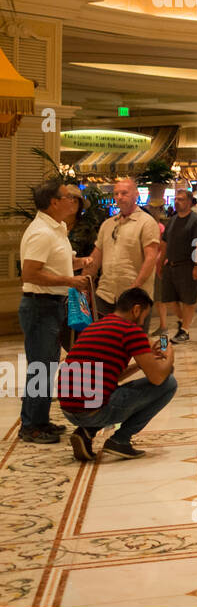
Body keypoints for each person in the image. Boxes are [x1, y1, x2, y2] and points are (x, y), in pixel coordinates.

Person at [59, 287, 177, 461]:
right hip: (93, 410)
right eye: (144, 317)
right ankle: (120, 440)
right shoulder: (131, 330)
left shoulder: (95, 326)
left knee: (111, 389)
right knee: (169, 383)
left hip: (68, 409)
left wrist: (139, 364)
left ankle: (86, 432)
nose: (142, 322)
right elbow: (158, 378)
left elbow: (111, 376)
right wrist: (170, 354)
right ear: (136, 310)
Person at [19, 180, 93, 444]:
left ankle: (40, 420)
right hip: (40, 305)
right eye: (67, 197)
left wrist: (77, 263)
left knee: (47, 366)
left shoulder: (56, 228)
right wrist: (70, 281)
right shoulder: (42, 232)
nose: (72, 201)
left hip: (51, 306)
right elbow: (30, 273)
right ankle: (30, 426)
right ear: (53, 202)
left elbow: (52, 263)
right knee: (40, 367)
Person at [86, 177, 161, 326]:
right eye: (116, 194)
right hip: (105, 295)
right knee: (106, 343)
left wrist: (135, 287)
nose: (119, 197)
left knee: (133, 345)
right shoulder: (107, 225)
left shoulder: (147, 222)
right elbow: (96, 256)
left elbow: (151, 258)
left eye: (124, 193)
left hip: (134, 298)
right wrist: (84, 282)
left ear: (136, 195)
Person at [157, 189, 197, 342]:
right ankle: (183, 321)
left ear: (190, 202)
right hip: (170, 265)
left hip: (188, 265)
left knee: (188, 299)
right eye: (176, 199)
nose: (177, 202)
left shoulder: (196, 221)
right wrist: (159, 262)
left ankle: (185, 330)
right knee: (169, 299)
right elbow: (164, 243)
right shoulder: (172, 220)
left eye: (181, 199)